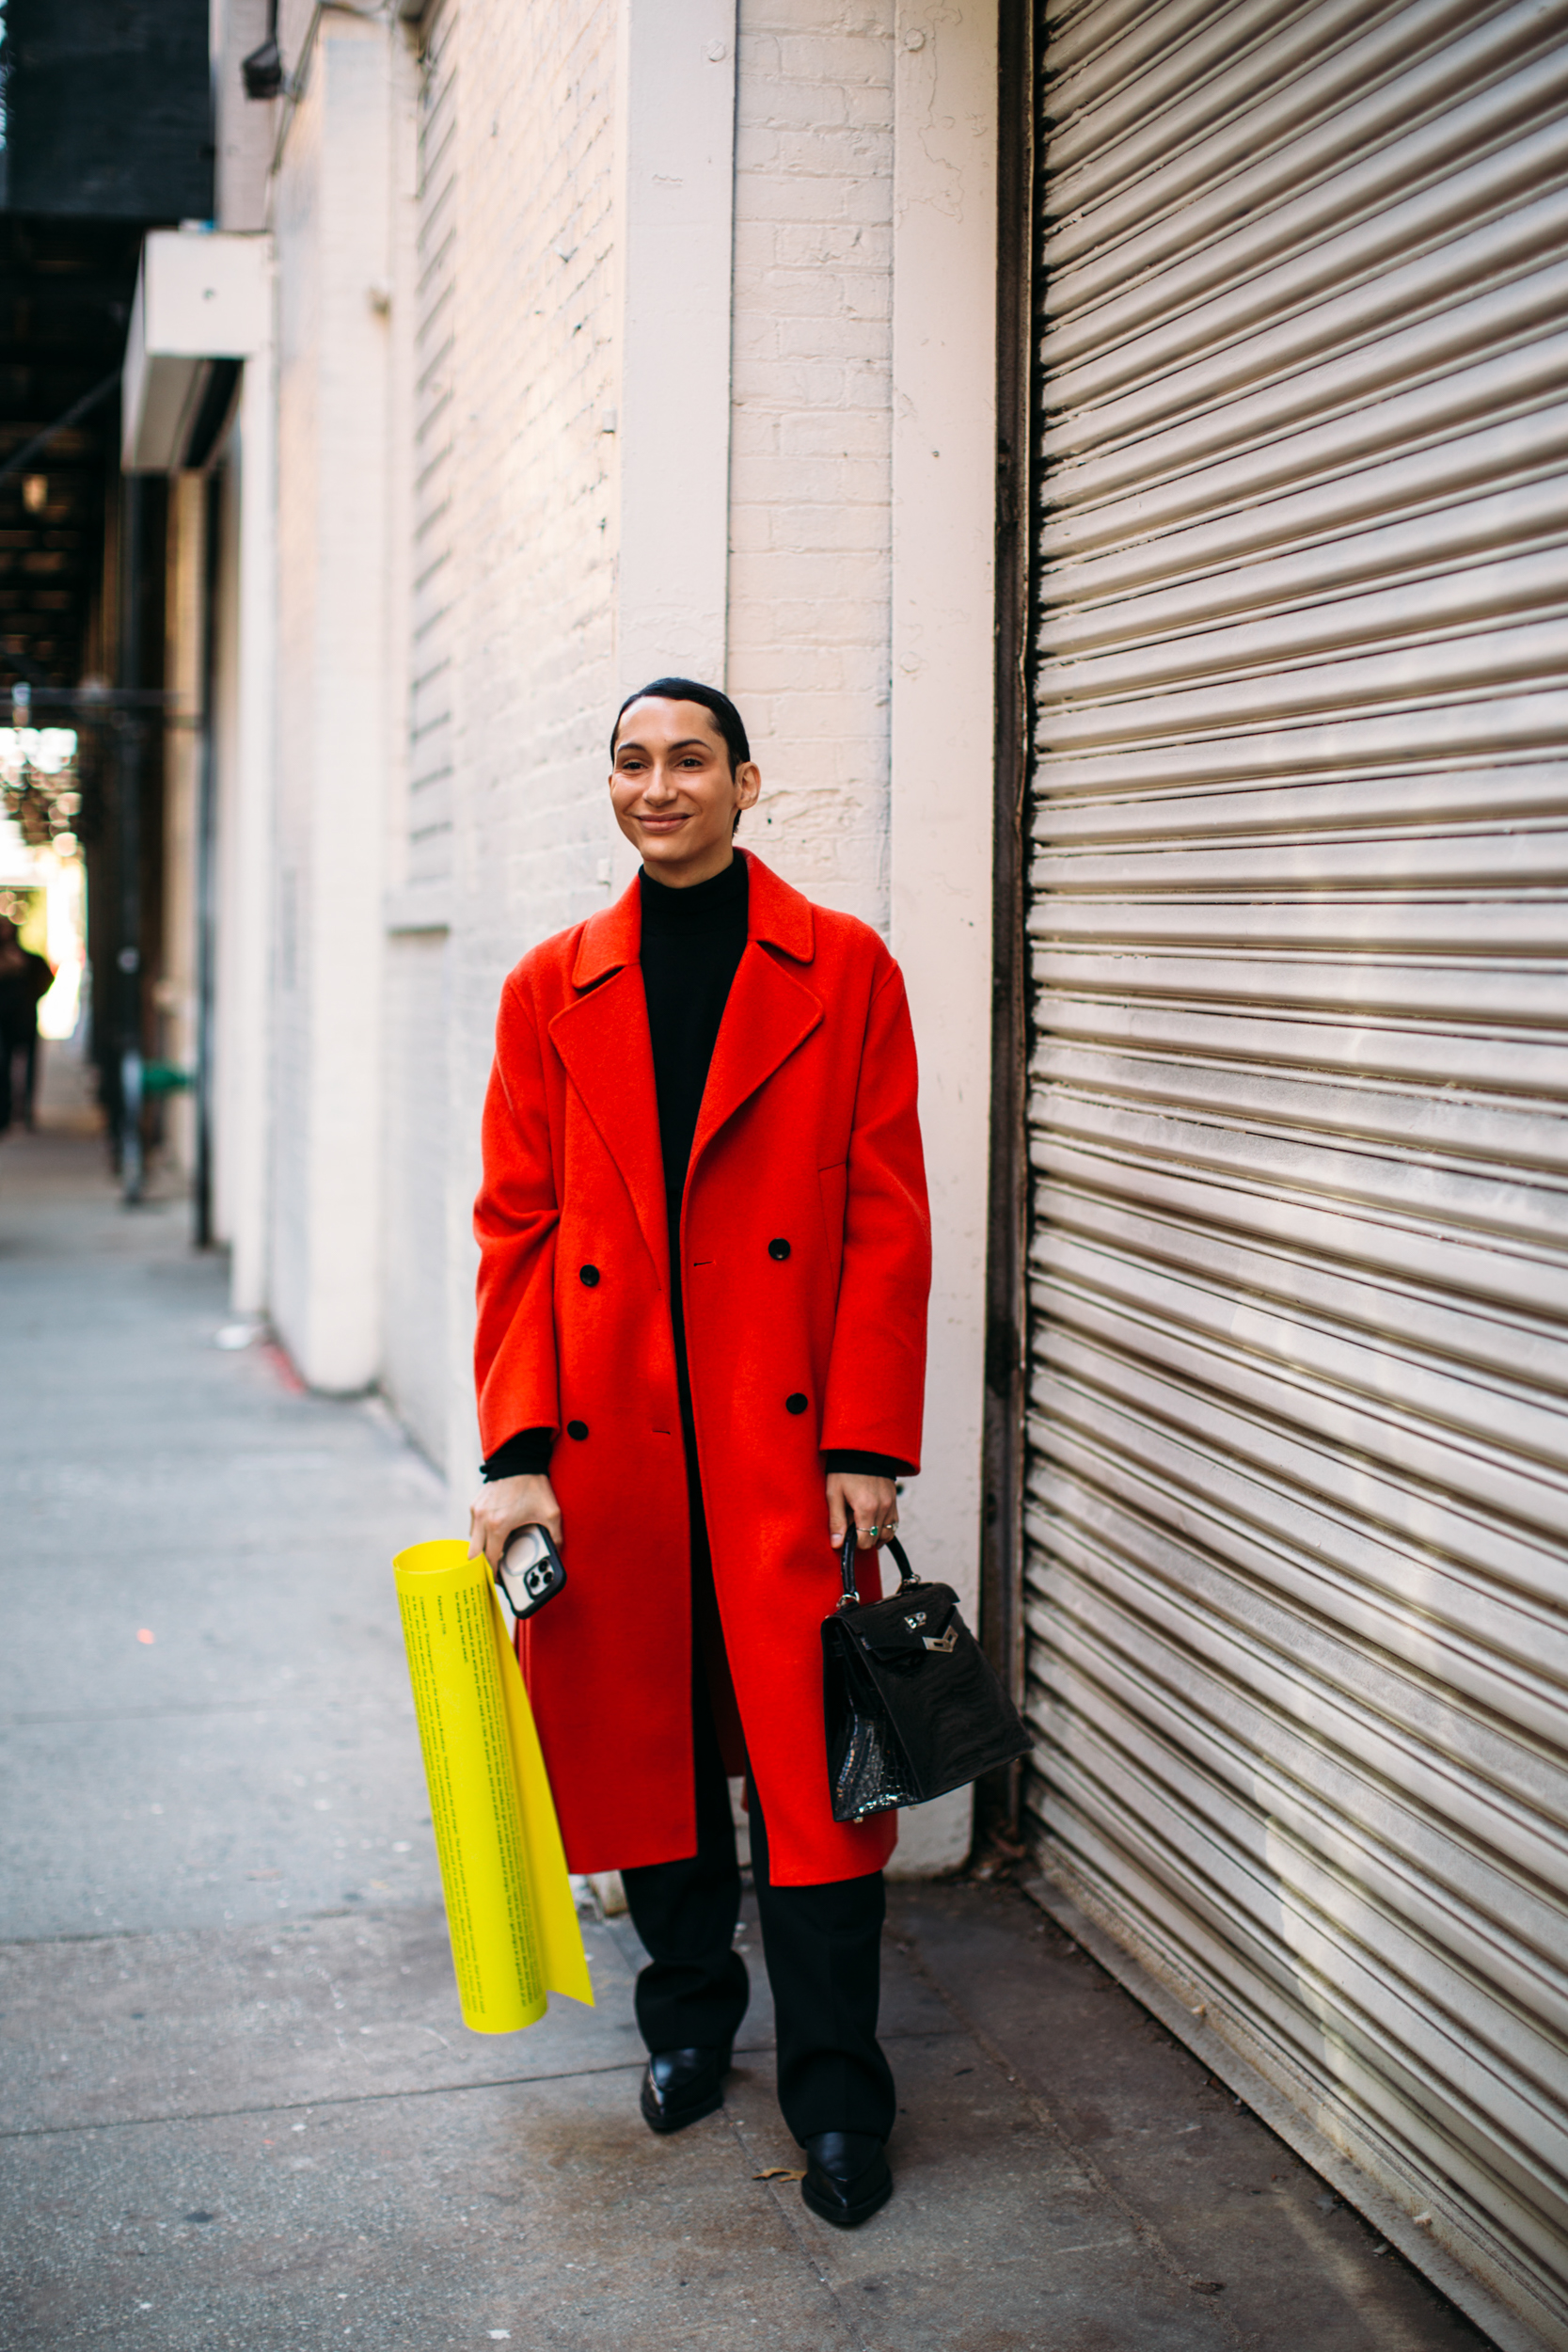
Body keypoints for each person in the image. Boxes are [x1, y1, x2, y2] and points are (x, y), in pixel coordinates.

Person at [468, 679, 931, 2230]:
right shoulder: (549, 987)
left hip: (780, 1448)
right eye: (629, 762)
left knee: (809, 1793)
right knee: (653, 1772)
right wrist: (515, 1447)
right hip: (610, 1449)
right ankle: (683, 2031)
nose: (656, 786)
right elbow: (517, 1231)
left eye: (687, 762)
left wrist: (867, 1434)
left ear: (746, 783)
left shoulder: (844, 968)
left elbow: (882, 1213)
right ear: (608, 785)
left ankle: (839, 2106)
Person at [0, 914, 54, 1134]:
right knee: (3, 1067)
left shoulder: (28, 959)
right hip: (4, 1022)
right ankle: (6, 1112)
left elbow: (44, 979)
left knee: (27, 1065)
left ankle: (26, 1109)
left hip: (23, 1020)